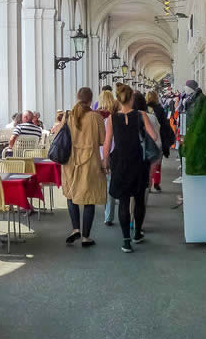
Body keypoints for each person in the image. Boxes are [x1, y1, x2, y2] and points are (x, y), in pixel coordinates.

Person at [102, 85, 159, 253]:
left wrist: (106, 161)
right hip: (138, 161)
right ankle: (137, 233)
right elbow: (154, 136)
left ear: (118, 100)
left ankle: (126, 241)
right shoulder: (141, 115)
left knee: (124, 201)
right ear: (132, 99)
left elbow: (107, 143)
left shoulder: (112, 119)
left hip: (120, 161)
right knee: (139, 199)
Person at [62, 88, 106, 247]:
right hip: (89, 162)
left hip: (70, 162)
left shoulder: (69, 116)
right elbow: (102, 140)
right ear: (90, 99)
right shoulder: (96, 117)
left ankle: (75, 229)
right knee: (89, 198)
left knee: (71, 195)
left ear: (77, 97)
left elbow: (61, 138)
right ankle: (86, 237)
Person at [97, 88, 120, 227]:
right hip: (114, 152)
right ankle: (112, 214)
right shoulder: (115, 115)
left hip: (100, 152)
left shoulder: (96, 114)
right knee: (112, 183)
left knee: (105, 185)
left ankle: (108, 215)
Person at [133, 92, 162, 196]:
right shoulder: (151, 117)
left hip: (133, 152)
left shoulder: (124, 117)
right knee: (148, 175)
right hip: (150, 151)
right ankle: (146, 194)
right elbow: (156, 135)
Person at [146, 90, 174, 190]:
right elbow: (165, 126)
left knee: (147, 162)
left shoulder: (144, 109)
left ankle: (148, 182)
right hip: (158, 139)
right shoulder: (160, 109)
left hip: (147, 139)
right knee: (158, 163)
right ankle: (156, 182)